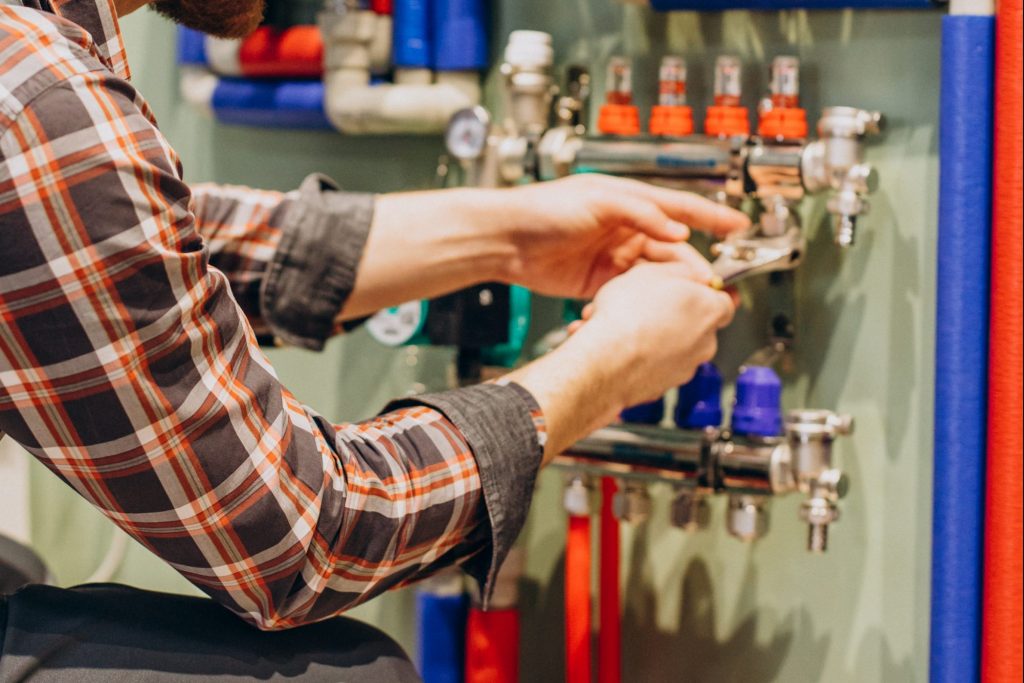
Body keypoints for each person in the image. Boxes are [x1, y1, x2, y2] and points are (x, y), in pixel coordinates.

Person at [0, 0, 744, 679]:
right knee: (354, 675)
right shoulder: (39, 96)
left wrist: (509, 234)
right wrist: (605, 370)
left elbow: (141, 251)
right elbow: (304, 543)